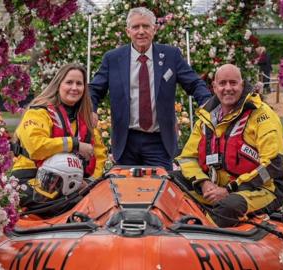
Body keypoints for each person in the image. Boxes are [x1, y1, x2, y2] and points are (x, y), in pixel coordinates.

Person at [90, 7, 211, 171]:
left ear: (154, 29)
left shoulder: (171, 55)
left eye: (146, 26)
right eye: (136, 27)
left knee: (160, 191)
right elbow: (95, 89)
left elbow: (195, 83)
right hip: (125, 142)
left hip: (159, 142)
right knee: (126, 192)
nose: (141, 32)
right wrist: (91, 110)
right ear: (128, 31)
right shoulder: (112, 59)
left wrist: (206, 103)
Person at [176, 64, 283, 227]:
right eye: (222, 83)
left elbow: (273, 166)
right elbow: (187, 158)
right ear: (214, 87)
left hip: (263, 189)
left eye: (233, 83)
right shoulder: (206, 118)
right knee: (171, 182)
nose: (228, 88)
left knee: (228, 207)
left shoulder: (262, 116)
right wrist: (204, 183)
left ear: (242, 85)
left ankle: (205, 235)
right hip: (216, 186)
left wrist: (229, 190)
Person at [11, 63, 107, 210]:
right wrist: (75, 144)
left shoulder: (86, 120)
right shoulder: (38, 112)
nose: (74, 88)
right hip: (31, 181)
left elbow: (99, 156)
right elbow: (35, 147)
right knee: (69, 205)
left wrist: (89, 182)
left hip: (69, 185)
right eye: (69, 82)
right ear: (58, 84)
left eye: (79, 84)